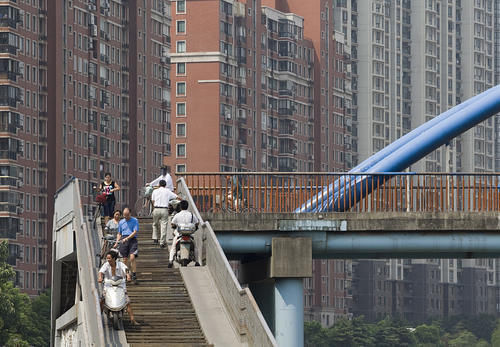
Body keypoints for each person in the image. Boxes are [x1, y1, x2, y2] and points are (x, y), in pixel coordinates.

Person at [98, 250, 138, 325]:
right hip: (108, 286)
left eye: (109, 258)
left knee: (127, 301)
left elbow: (126, 270)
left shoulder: (120, 264)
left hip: (120, 285)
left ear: (114, 258)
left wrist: (128, 276)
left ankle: (132, 319)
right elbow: (101, 272)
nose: (108, 260)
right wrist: (100, 278)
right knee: (102, 300)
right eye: (107, 258)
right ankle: (98, 318)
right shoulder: (106, 265)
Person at [168, 200, 199, 268]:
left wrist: (174, 226)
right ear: (187, 206)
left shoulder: (177, 215)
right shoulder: (191, 214)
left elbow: (172, 224)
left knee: (173, 247)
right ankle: (197, 261)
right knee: (195, 247)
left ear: (180, 207)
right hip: (189, 234)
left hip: (179, 234)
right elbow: (197, 223)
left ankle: (170, 260)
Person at [151, 179, 179, 247]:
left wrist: (154, 207)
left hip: (156, 208)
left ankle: (155, 238)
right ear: (165, 185)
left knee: (155, 224)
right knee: (163, 226)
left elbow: (153, 201)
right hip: (164, 209)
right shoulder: (167, 191)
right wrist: (182, 200)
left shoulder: (155, 191)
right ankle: (162, 242)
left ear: (159, 185)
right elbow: (176, 196)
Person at [114, 207, 139, 283]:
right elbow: (119, 233)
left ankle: (134, 274)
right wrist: (117, 241)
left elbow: (135, 232)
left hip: (132, 239)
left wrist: (127, 238)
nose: (126, 217)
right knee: (124, 259)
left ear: (130, 214)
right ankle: (126, 274)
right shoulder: (121, 222)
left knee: (132, 257)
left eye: (127, 215)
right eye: (124, 215)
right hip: (123, 239)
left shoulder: (135, 220)